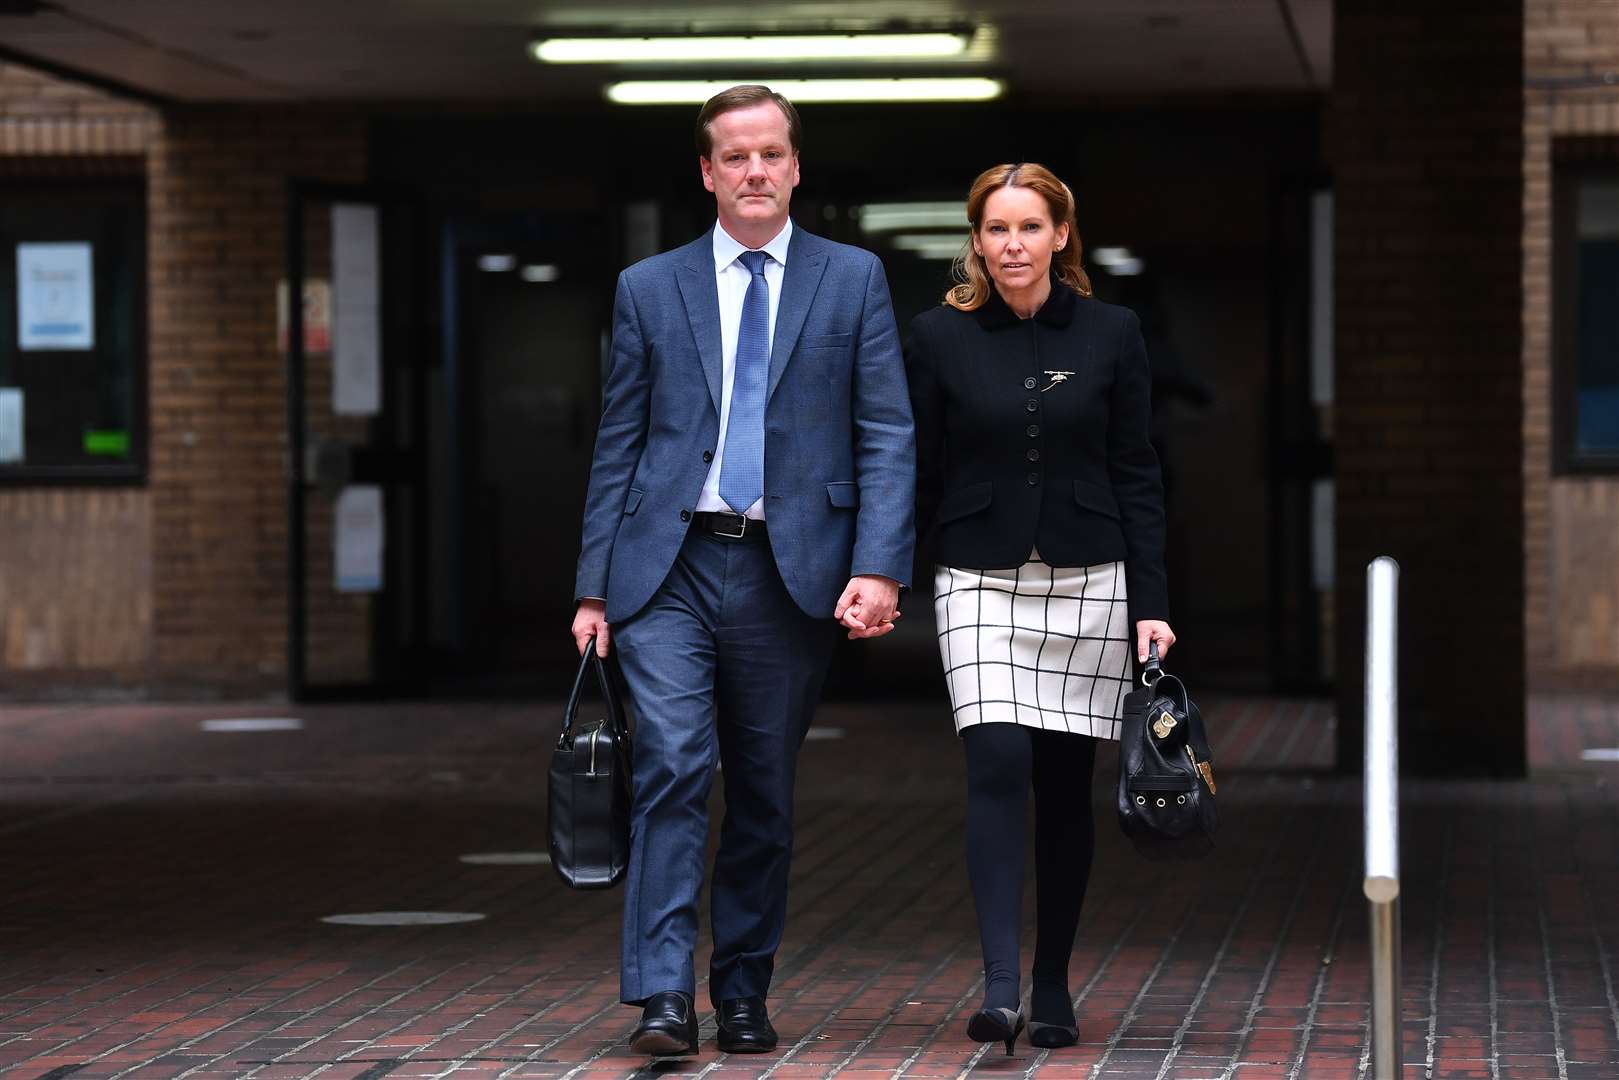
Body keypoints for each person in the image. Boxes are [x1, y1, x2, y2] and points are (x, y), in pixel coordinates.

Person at [570, 85, 915, 1058]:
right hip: (665, 570)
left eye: (770, 154)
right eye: (735, 157)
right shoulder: (650, 286)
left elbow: (884, 429)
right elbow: (620, 442)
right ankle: (663, 998)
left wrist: (879, 564)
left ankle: (744, 989)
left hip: (787, 573)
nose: (754, 171)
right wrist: (593, 585)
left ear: (795, 167)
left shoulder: (851, 280)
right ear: (707, 172)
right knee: (675, 766)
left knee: (761, 791)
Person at [904, 163, 1176, 1054]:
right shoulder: (939, 337)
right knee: (993, 766)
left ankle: (1052, 982)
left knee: (1063, 791)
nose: (1011, 245)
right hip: (976, 578)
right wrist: (887, 574)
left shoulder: (1111, 332)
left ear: (1061, 235)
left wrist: (1151, 602)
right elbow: (919, 468)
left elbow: (1137, 470)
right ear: (974, 241)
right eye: (994, 229)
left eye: (1028, 227)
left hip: (1089, 578)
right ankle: (995, 986)